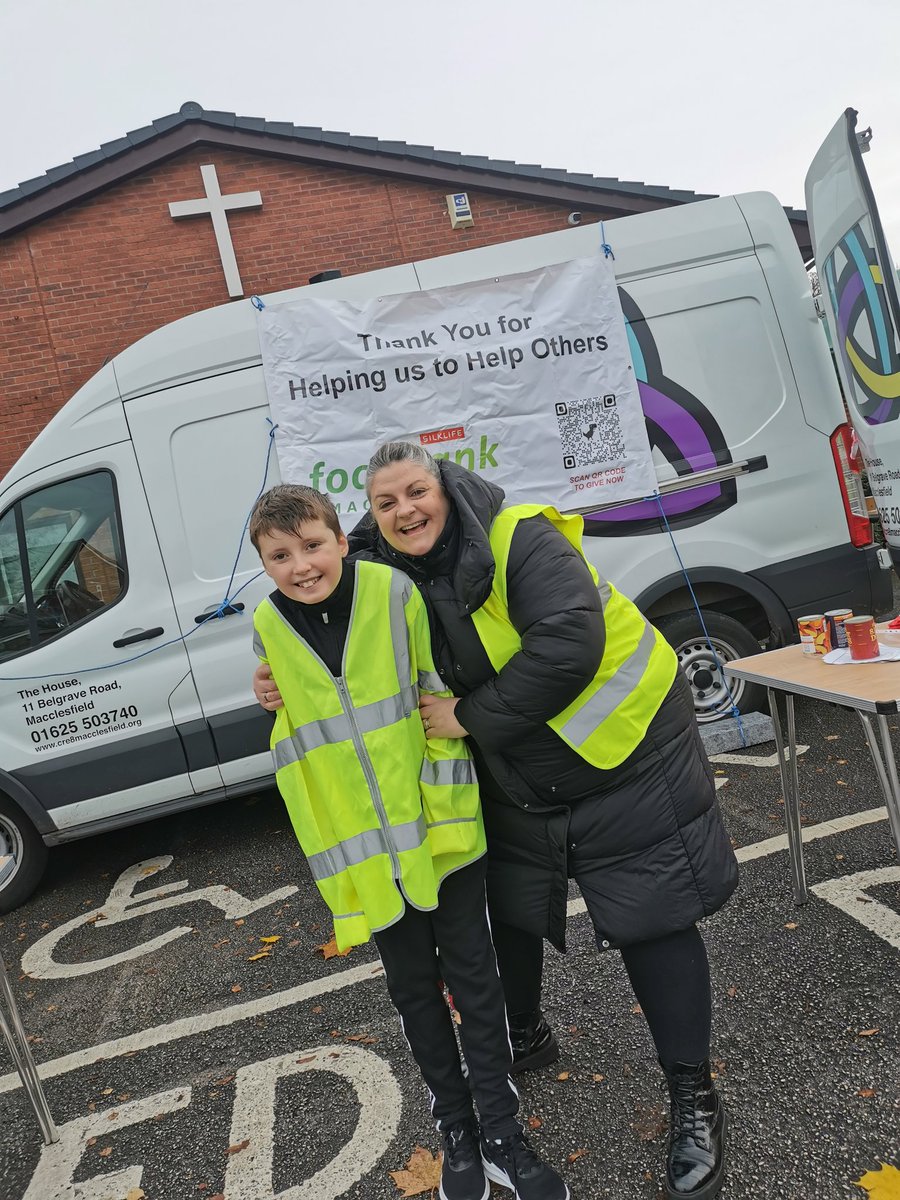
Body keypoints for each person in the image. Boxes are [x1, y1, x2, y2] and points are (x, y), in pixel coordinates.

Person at [254, 447, 739, 1200]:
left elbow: (567, 645)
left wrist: (468, 717)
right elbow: (325, 593)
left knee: (652, 919)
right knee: (507, 915)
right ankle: (524, 1039)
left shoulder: (519, 537)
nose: (405, 510)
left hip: (625, 751)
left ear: (446, 487)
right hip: (523, 767)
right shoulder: (383, 558)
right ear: (370, 520)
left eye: (418, 491)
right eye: (386, 503)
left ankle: (693, 1095)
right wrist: (278, 663)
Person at [249, 483, 569, 1200]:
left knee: (476, 982)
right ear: (264, 564)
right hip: (366, 854)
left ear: (341, 538)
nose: (301, 566)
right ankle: (455, 1126)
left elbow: (434, 684)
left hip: (439, 831)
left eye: (313, 545)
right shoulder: (267, 629)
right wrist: (264, 692)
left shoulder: (393, 591)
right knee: (415, 993)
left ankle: (501, 1132)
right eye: (280, 555)